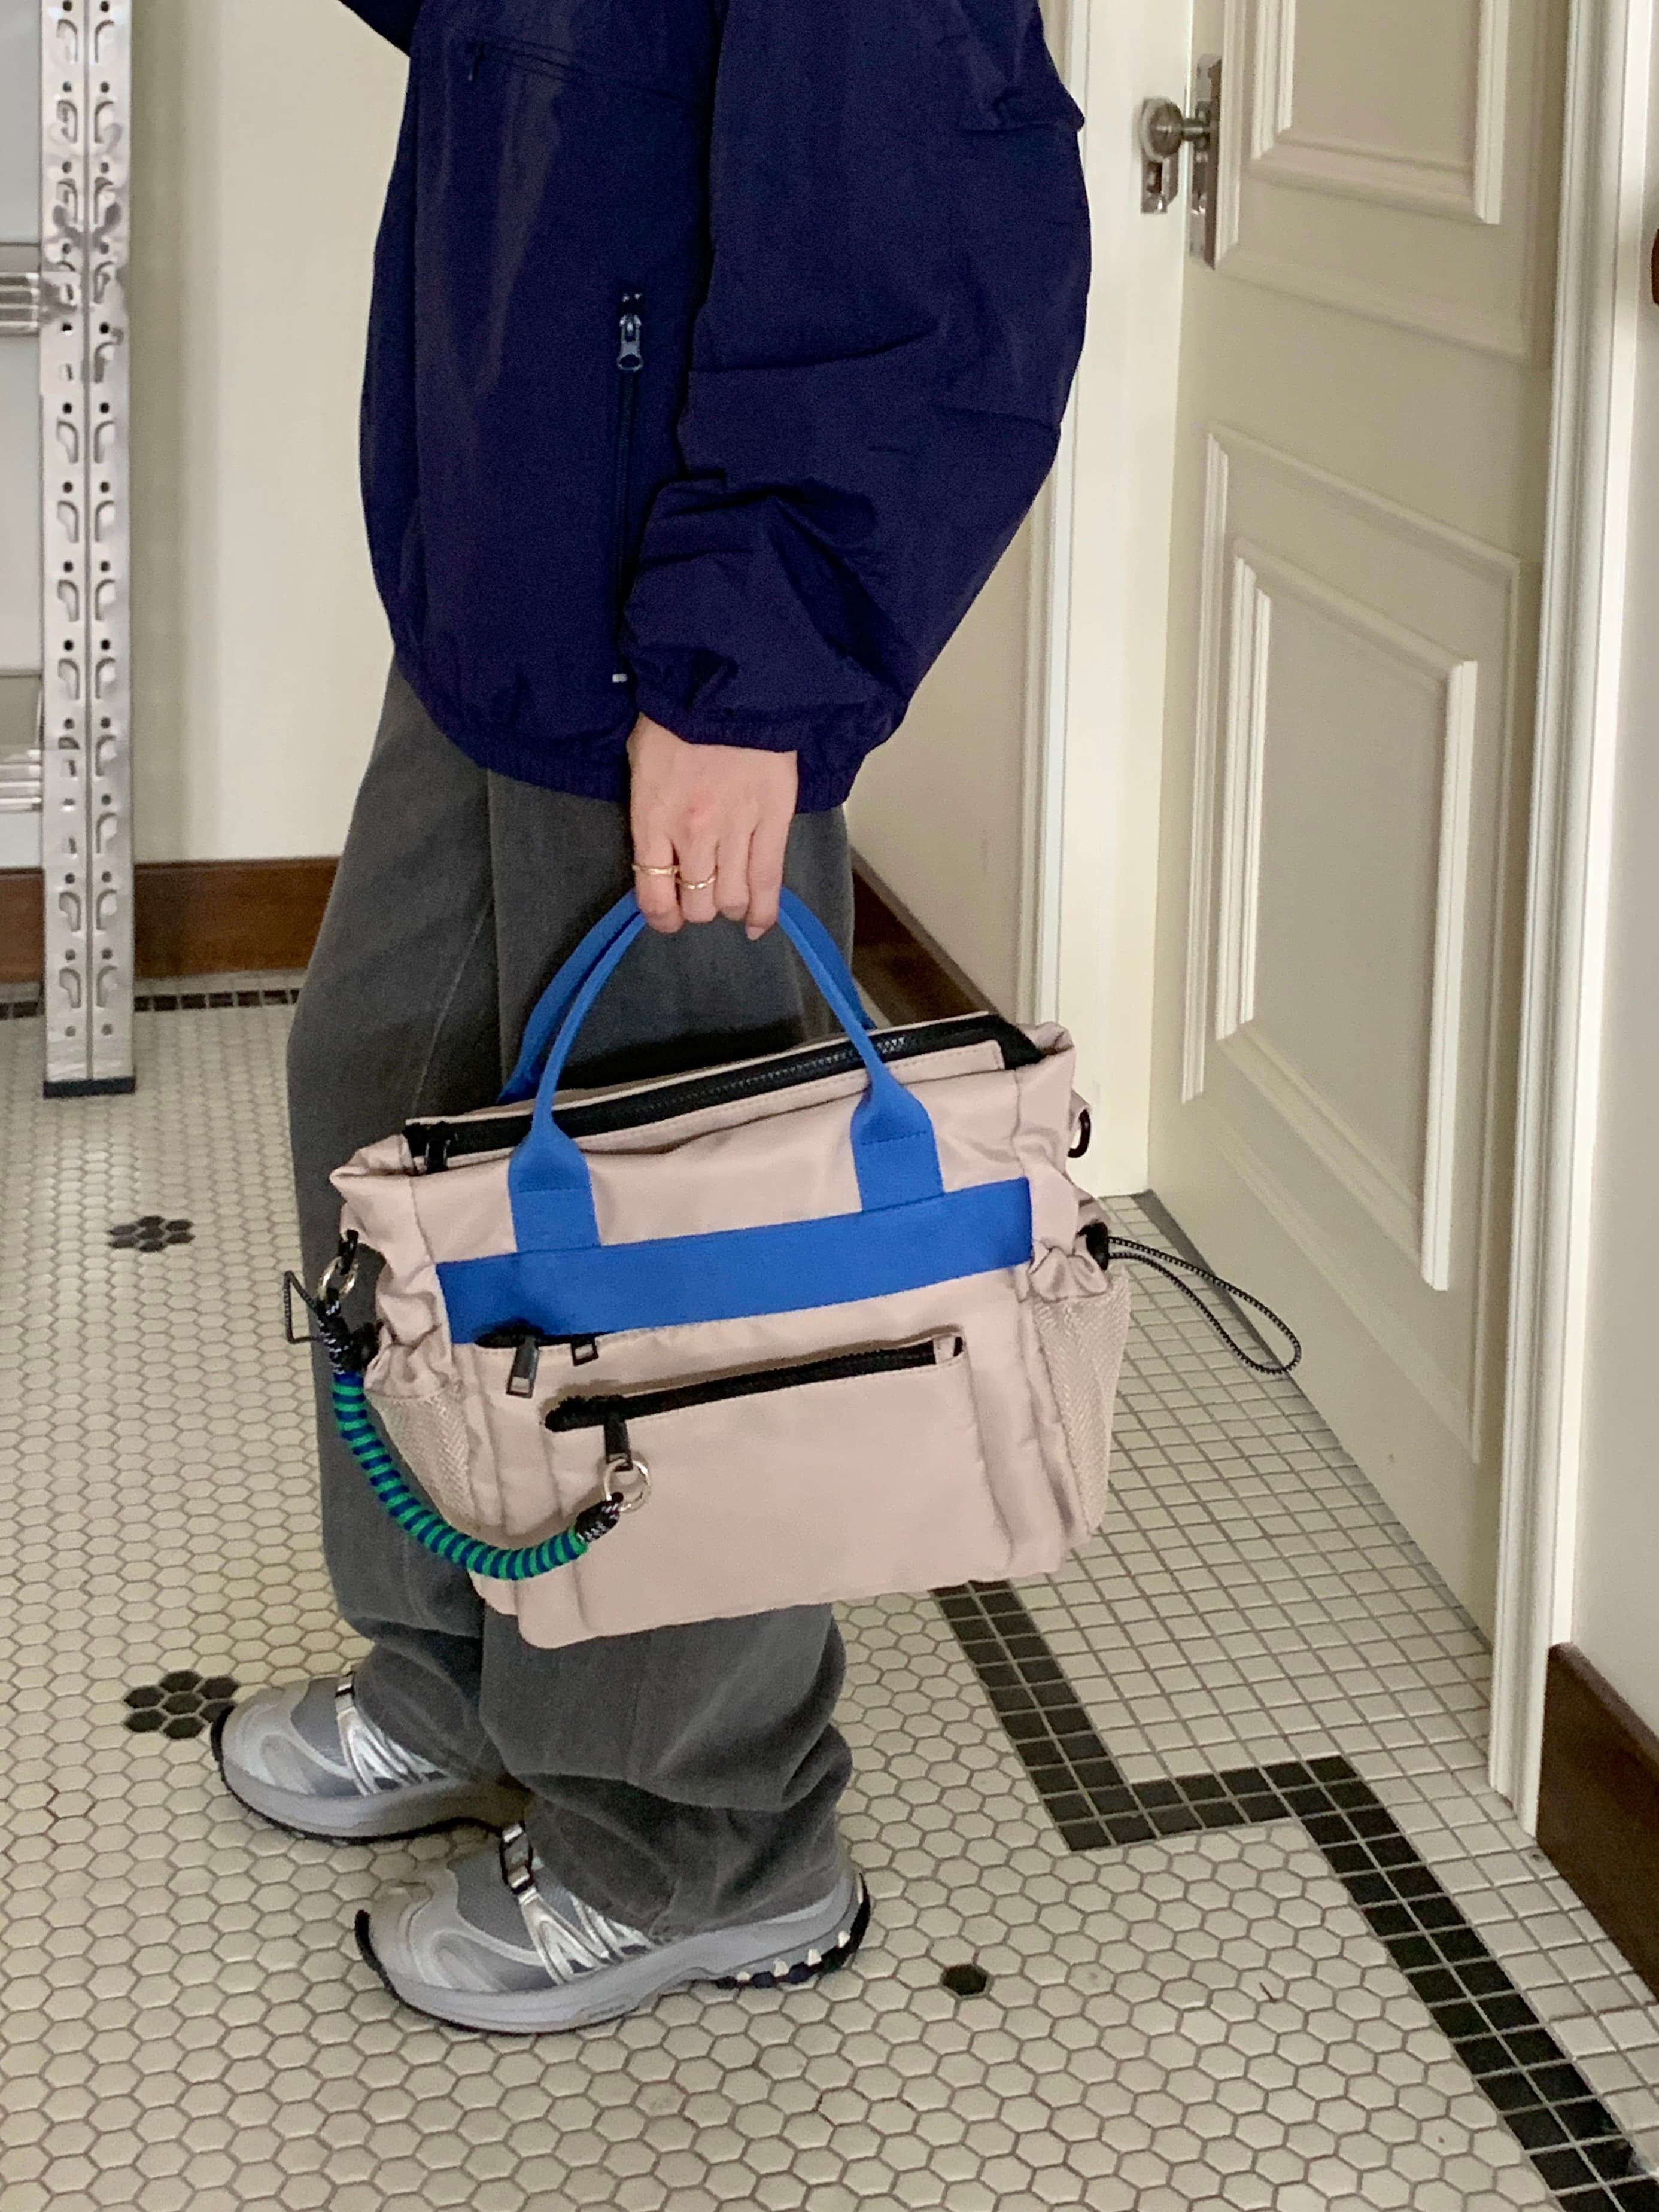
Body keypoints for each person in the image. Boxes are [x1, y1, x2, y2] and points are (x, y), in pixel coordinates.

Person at [215, 0, 1089, 2034]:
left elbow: (932, 230)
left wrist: (754, 667)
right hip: (509, 574)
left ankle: (708, 1837)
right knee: (390, 1111)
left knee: (665, 1251)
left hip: (677, 636)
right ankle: (467, 1659)